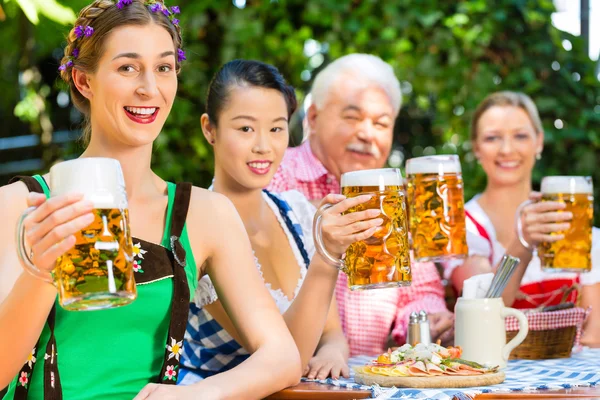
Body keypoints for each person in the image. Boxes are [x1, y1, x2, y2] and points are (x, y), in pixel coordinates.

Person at [0, 2, 304, 398]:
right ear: (83, 81)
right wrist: (40, 273)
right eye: (127, 67)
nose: (149, 87)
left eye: (163, 68)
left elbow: (282, 357)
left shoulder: (203, 214)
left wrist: (192, 395)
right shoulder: (22, 205)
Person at [178, 60, 389, 383]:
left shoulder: (295, 210)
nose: (264, 146)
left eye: (276, 128)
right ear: (210, 129)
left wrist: (334, 350)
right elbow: (286, 358)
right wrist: (327, 254)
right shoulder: (198, 227)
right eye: (245, 128)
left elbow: (332, 332)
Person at [268, 54, 453, 356]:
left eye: (381, 123)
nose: (367, 134)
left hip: (369, 384)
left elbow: (421, 292)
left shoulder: (393, 195)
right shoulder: (275, 174)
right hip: (285, 379)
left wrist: (427, 322)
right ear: (313, 118)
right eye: (352, 118)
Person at [448, 91, 600, 347]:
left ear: (539, 142)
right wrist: (524, 243)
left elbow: (594, 336)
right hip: (497, 376)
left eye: (520, 136)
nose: (507, 150)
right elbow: (482, 312)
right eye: (492, 138)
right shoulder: (462, 228)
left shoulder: (576, 226)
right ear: (476, 148)